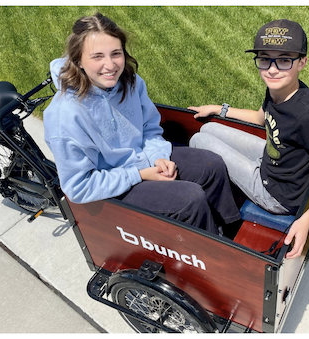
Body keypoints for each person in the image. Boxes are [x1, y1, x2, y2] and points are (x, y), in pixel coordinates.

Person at [43, 13, 240, 235]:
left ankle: (231, 233)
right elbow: (79, 187)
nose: (110, 65)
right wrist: (140, 175)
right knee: (190, 199)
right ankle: (212, 258)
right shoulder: (64, 116)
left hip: (144, 161)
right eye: (97, 56)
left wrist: (158, 156)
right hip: (113, 185)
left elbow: (150, 128)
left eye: (116, 54)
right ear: (78, 60)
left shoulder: (131, 81)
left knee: (211, 165)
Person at [189, 19, 309, 259]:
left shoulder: (307, 118)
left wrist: (306, 220)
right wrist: (219, 110)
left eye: (284, 60)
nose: (272, 69)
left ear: (302, 62)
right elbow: (260, 118)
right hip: (272, 159)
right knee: (208, 129)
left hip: (276, 194)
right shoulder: (278, 89)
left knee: (198, 142)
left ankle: (213, 198)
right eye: (265, 59)